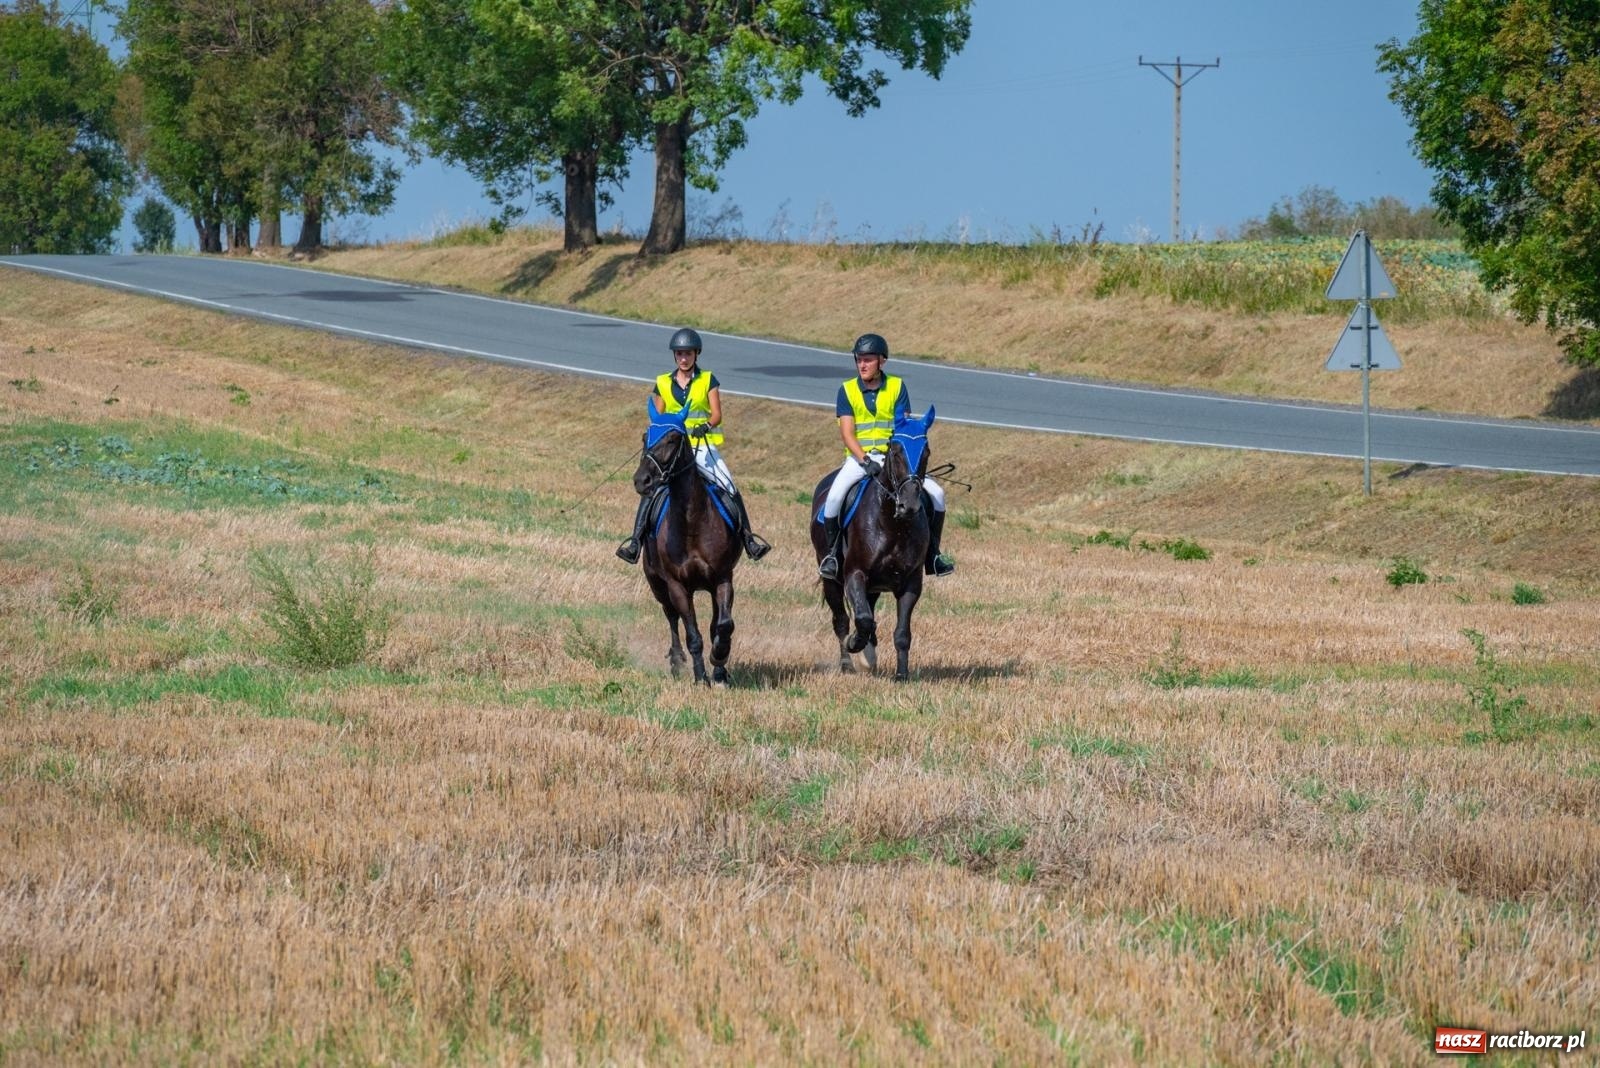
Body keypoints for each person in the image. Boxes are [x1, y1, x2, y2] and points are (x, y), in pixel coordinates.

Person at [617, 327, 772, 563]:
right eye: (679, 354)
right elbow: (657, 419)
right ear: (674, 356)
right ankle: (635, 541)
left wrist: (706, 425)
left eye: (688, 353)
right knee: (652, 489)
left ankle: (748, 539)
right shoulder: (662, 383)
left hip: (702, 447)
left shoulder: (708, 380)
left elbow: (717, 414)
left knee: (728, 484)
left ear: (696, 354)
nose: (683, 358)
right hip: (672, 451)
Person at [817, 332, 954, 580]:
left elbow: (904, 428)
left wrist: (902, 461)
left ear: (882, 361)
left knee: (937, 494)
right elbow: (847, 434)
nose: (862, 365)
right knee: (835, 497)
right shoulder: (846, 390)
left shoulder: (897, 386)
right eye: (859, 360)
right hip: (860, 459)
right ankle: (833, 556)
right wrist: (865, 461)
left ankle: (933, 555)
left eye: (868, 360)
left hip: (894, 459)